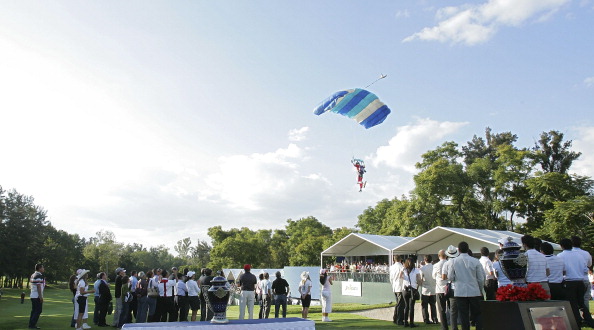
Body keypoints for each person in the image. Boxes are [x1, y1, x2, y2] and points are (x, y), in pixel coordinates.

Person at [448, 241, 485, 330]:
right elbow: (481, 278)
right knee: (477, 314)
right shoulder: (476, 261)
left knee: (463, 315)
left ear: (459, 250)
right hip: (474, 291)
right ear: (468, 249)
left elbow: (450, 277)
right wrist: (480, 289)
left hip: (460, 291)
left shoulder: (453, 261)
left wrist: (456, 279)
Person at [558, 238, 594, 328]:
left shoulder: (560, 256)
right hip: (580, 281)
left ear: (561, 246)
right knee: (581, 303)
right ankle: (589, 321)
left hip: (569, 282)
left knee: (572, 304)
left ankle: (577, 322)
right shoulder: (579, 256)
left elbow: (561, 270)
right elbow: (585, 268)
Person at [572, 236, 593, 311]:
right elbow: (589, 264)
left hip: (572, 280)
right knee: (585, 299)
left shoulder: (568, 254)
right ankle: (586, 317)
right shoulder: (586, 253)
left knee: (574, 300)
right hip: (584, 278)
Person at [442, 245, 459, 330]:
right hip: (461, 286)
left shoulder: (446, 263)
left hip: (452, 286)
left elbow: (443, 276)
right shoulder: (459, 262)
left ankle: (454, 327)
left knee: (453, 310)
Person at [402, 257, 422, 328]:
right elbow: (419, 281)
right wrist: (417, 288)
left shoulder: (404, 270)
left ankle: (405, 322)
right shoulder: (416, 270)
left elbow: (400, 277)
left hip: (405, 289)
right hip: (413, 289)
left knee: (406, 306)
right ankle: (411, 323)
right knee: (411, 306)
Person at [433, 250, 449, 330]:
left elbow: (433, 276)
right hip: (449, 288)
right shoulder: (449, 263)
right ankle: (454, 325)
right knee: (452, 309)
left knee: (441, 310)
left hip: (439, 289)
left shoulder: (436, 265)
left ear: (439, 256)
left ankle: (444, 327)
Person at [420, 255, 438, 324]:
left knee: (424, 306)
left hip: (425, 289)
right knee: (433, 305)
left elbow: (421, 279)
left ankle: (426, 319)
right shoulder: (434, 267)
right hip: (433, 288)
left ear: (425, 260)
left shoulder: (422, 269)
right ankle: (434, 319)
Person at [28, 263, 45, 330]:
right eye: (42, 267)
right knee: (38, 310)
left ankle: (31, 324)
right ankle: (32, 324)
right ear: (39, 268)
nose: (43, 269)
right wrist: (40, 297)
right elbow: (38, 287)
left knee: (34, 310)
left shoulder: (33, 275)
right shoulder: (38, 275)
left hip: (33, 295)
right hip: (36, 296)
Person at [390, 255, 406, 325]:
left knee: (398, 303)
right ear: (400, 259)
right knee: (400, 304)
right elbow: (403, 277)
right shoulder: (401, 267)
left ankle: (395, 318)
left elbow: (391, 278)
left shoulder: (391, 267)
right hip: (400, 287)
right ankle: (399, 320)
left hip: (394, 287)